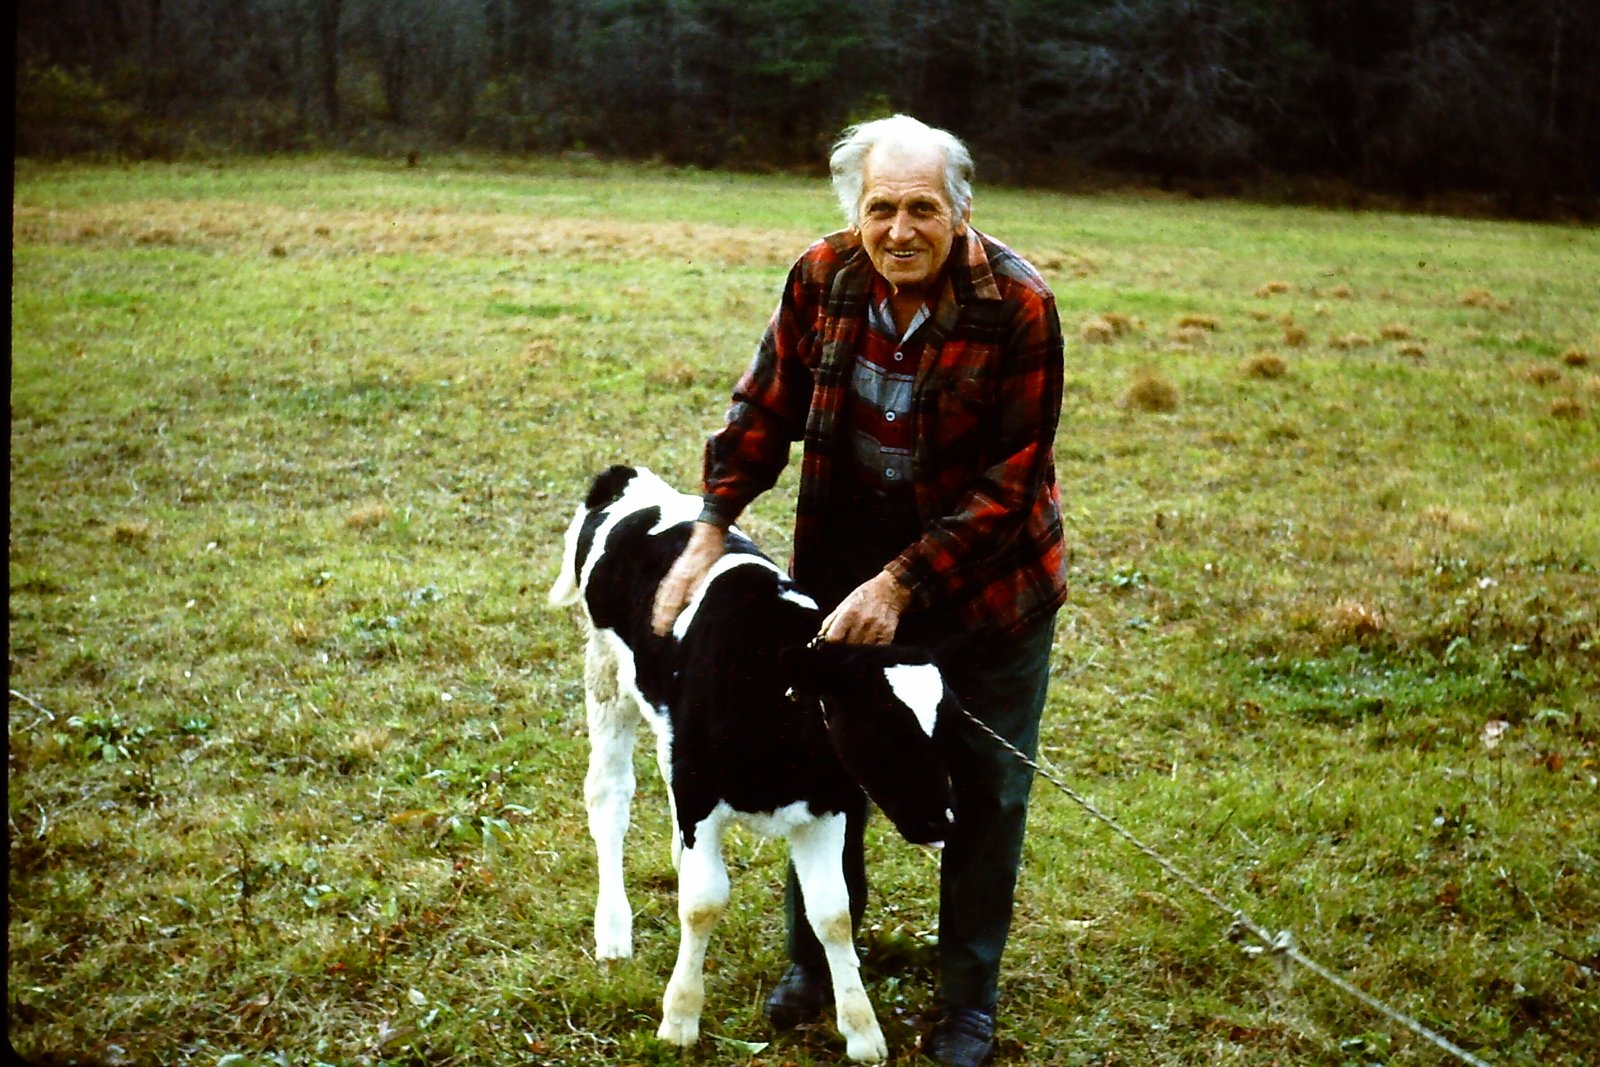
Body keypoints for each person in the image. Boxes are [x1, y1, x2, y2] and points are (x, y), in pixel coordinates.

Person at [651, 113, 1067, 1067]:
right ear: (857, 210)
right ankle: (815, 958)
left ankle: (966, 996)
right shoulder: (823, 276)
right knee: (826, 762)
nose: (900, 230)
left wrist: (904, 581)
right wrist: (712, 524)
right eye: (882, 207)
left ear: (962, 211)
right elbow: (763, 408)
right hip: (845, 582)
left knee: (986, 788)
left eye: (924, 208)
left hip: (988, 594)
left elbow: (1010, 486)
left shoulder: (1019, 304)